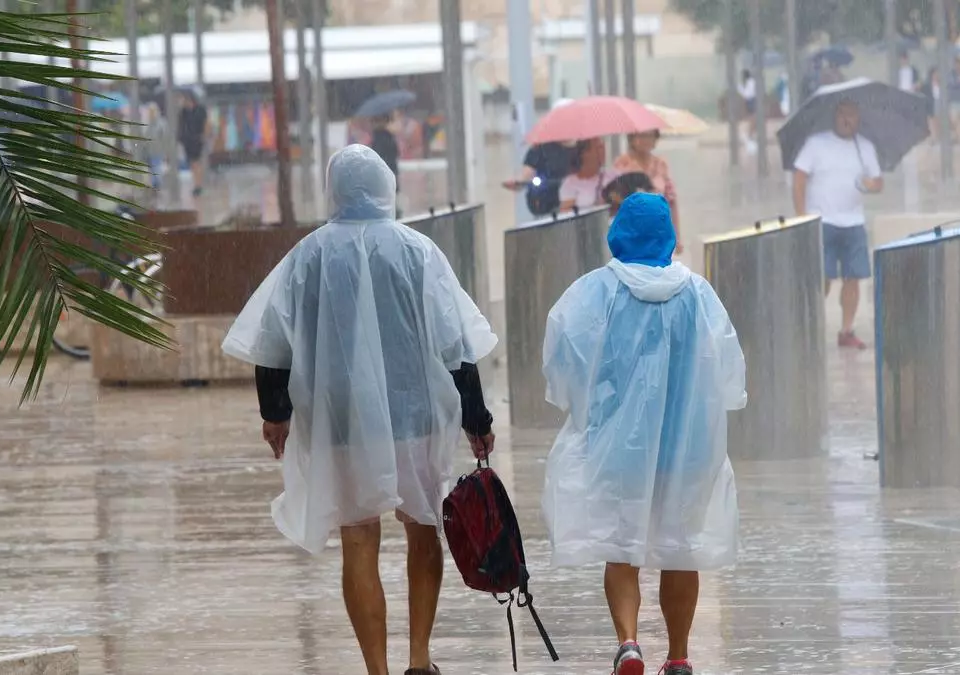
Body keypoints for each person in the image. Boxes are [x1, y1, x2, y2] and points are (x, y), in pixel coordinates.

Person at [222, 145, 498, 675]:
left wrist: (275, 412)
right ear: (387, 186)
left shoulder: (309, 255)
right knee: (423, 526)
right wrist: (476, 418)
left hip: (343, 419)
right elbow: (454, 343)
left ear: (335, 190)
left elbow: (274, 340)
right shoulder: (418, 252)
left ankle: (377, 669)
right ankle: (420, 660)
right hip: (414, 417)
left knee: (358, 537)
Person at [541, 192, 746, 675]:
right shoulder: (697, 293)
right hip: (688, 447)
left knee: (621, 545)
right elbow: (728, 375)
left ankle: (629, 643)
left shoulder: (595, 290)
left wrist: (585, 405)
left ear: (619, 234)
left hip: (618, 449)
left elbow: (563, 358)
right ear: (668, 236)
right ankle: (677, 654)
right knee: (681, 547)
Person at [792, 100, 883, 350]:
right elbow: (799, 179)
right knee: (822, 277)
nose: (846, 119)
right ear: (835, 116)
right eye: (842, 114)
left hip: (854, 222)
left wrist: (870, 184)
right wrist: (801, 216)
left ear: (858, 118)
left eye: (851, 115)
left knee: (853, 277)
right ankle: (809, 327)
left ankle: (847, 330)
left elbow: (878, 182)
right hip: (822, 221)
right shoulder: (816, 144)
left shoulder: (865, 147)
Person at [614, 130, 685, 255]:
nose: (645, 139)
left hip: (658, 231)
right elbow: (615, 200)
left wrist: (677, 237)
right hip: (632, 233)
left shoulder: (661, 164)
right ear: (632, 138)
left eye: (649, 135)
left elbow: (671, 202)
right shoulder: (622, 164)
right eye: (641, 135)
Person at [502, 141, 578, 216]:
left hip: (574, 198)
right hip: (545, 200)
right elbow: (527, 173)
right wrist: (518, 182)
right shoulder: (539, 148)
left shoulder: (582, 146)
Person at [558, 138, 616, 211]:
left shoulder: (613, 176)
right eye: (598, 148)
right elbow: (566, 214)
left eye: (603, 147)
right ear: (584, 153)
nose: (603, 151)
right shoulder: (570, 183)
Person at [177, 88, 209, 197]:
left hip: (196, 139)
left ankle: (198, 185)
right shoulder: (183, 112)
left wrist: (204, 136)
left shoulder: (200, 110)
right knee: (192, 163)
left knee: (196, 163)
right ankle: (197, 185)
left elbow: (206, 123)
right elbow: (181, 126)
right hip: (187, 141)